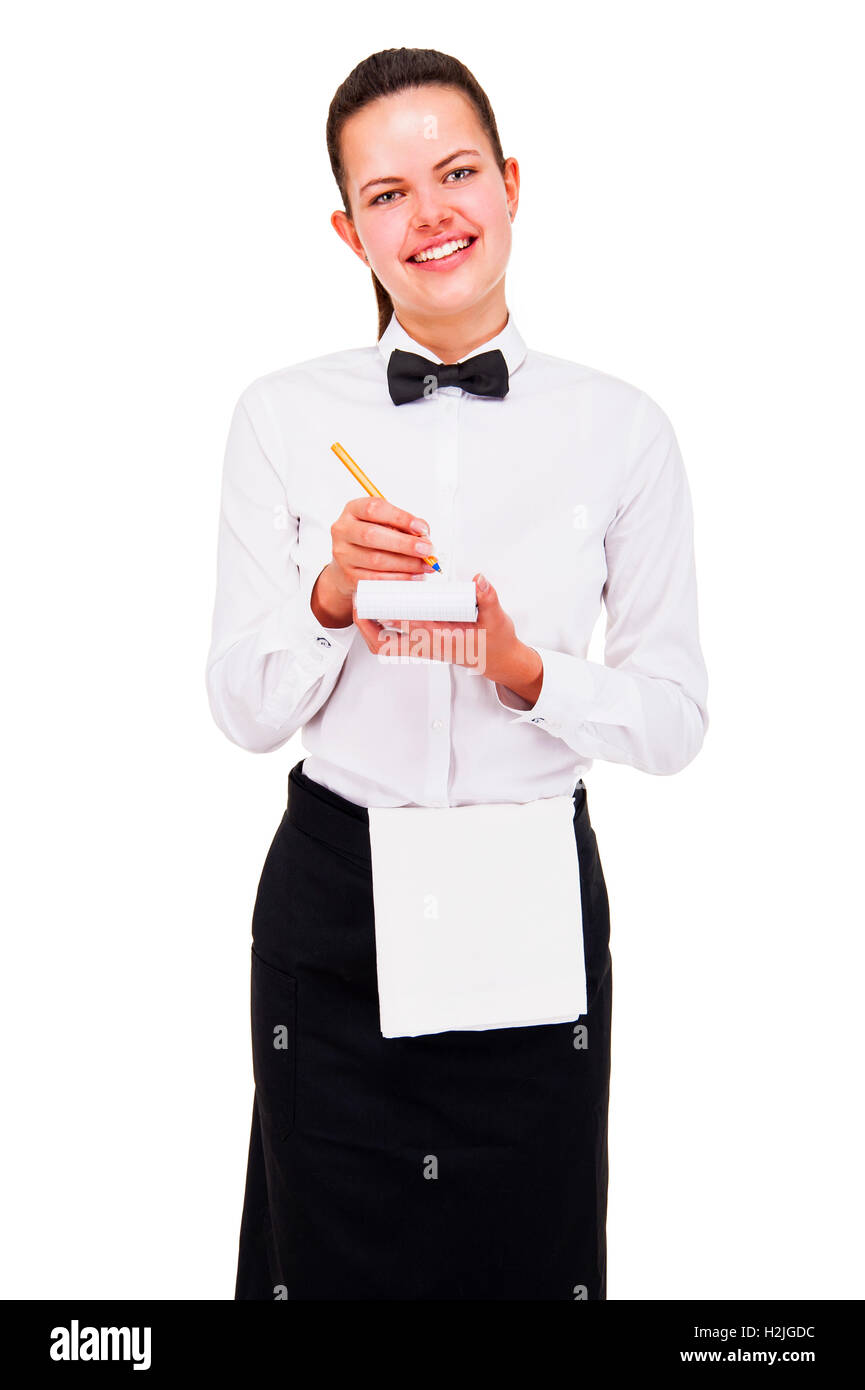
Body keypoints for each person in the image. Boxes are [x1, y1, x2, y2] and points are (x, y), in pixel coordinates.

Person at [205, 46, 709, 1301]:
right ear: (348, 229)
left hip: (529, 890)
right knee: (320, 1265)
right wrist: (328, 601)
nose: (428, 214)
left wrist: (525, 668)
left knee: (526, 1265)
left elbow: (675, 716)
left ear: (510, 183)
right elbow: (240, 709)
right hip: (336, 892)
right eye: (386, 194)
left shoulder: (623, 426)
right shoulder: (278, 416)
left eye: (456, 173)